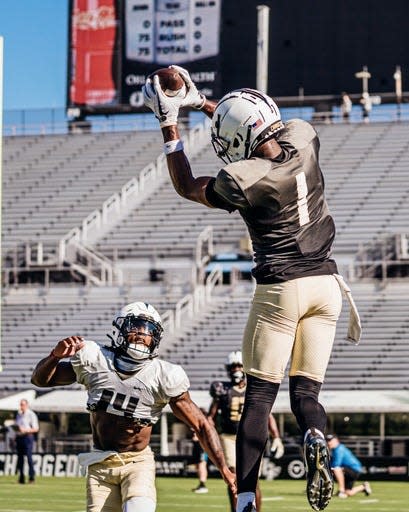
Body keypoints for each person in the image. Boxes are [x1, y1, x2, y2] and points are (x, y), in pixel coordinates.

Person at [143, 66, 362, 512]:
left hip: (282, 289)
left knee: (259, 397)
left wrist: (169, 121)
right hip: (327, 287)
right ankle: (314, 434)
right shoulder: (304, 136)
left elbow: (187, 185)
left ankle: (244, 498)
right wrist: (204, 102)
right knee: (306, 395)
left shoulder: (246, 177)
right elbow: (253, 126)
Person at [31, 301, 236, 512]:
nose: (141, 334)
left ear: (155, 338)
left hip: (137, 463)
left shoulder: (163, 376)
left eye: (148, 330)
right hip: (100, 464)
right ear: (119, 330)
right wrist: (54, 357)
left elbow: (201, 424)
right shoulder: (95, 360)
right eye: (135, 327)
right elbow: (41, 380)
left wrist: (223, 468)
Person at [208, 350, 284, 512]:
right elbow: (211, 416)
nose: (236, 369)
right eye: (233, 366)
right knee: (234, 477)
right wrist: (204, 433)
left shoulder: (253, 388)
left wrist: (276, 436)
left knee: (252, 478)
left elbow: (266, 415)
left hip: (251, 436)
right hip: (229, 436)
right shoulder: (222, 389)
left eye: (239, 366)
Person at [326, 434, 372, 498]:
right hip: (348, 470)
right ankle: (363, 487)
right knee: (348, 492)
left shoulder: (339, 449)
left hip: (353, 469)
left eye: (330, 441)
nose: (328, 443)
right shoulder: (334, 450)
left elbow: (336, 464)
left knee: (336, 469)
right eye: (327, 441)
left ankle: (341, 491)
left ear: (336, 441)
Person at [14, 398, 39, 484]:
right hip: (19, 438)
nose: (21, 406)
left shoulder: (31, 414)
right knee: (20, 459)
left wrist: (25, 430)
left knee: (29, 457)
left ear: (27, 405)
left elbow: (36, 428)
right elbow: (17, 426)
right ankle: (21, 478)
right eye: (20, 404)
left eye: (23, 404)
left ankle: (31, 477)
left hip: (28, 437)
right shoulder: (19, 414)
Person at [190, 427, 209, 493]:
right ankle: (201, 484)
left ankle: (203, 485)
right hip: (196, 444)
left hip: (202, 444)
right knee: (197, 466)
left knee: (202, 464)